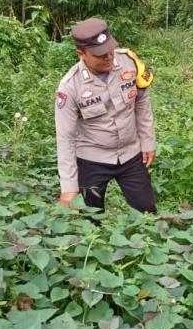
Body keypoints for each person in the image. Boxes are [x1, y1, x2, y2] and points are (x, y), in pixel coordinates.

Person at [55, 17, 156, 215]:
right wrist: (68, 187)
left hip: (130, 153)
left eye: (110, 49)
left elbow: (142, 102)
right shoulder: (69, 87)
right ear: (81, 54)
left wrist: (148, 141)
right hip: (92, 158)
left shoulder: (129, 62)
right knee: (90, 221)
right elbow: (65, 139)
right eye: (100, 55)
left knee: (147, 213)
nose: (109, 57)